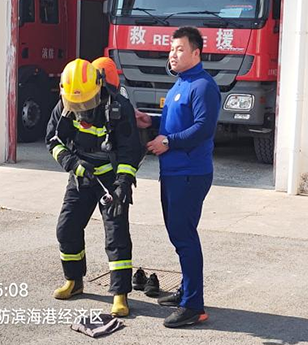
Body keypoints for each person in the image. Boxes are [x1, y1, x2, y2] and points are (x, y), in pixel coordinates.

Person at [137, 27, 221, 328]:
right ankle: (187, 291)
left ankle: (193, 306)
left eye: (180, 49)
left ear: (196, 53)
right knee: (180, 234)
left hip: (189, 173)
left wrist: (168, 142)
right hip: (174, 172)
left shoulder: (203, 86)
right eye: (172, 49)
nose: (173, 54)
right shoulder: (181, 83)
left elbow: (203, 128)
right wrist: (152, 121)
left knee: (184, 237)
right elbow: (177, 121)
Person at [46, 57, 143, 317]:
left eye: (86, 102)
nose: (81, 109)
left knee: (116, 236)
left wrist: (123, 183)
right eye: (75, 104)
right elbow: (53, 140)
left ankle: (120, 294)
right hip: (81, 177)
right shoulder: (64, 105)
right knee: (66, 228)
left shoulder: (119, 107)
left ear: (98, 87)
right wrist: (73, 164)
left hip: (110, 180)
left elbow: (129, 151)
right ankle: (74, 281)